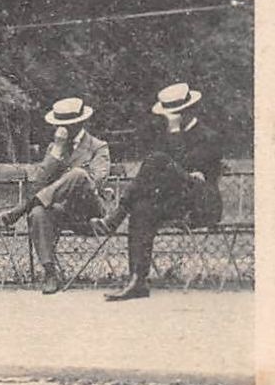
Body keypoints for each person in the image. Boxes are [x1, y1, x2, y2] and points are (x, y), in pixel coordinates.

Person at [95, 83, 225, 302]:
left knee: (157, 158)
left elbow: (185, 167)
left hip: (201, 204)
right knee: (141, 209)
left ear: (187, 111)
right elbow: (164, 176)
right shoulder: (166, 137)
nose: (168, 120)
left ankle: (116, 216)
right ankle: (138, 281)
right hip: (175, 201)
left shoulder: (208, 136)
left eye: (172, 115)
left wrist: (174, 133)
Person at [0, 96, 111, 295]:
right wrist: (56, 151)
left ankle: (22, 207)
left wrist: (70, 178)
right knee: (38, 213)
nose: (62, 128)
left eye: (67, 124)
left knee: (78, 174)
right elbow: (39, 183)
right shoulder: (54, 148)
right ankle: (50, 273)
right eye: (60, 124)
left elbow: (97, 182)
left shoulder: (98, 146)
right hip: (61, 211)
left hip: (89, 209)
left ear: (80, 123)